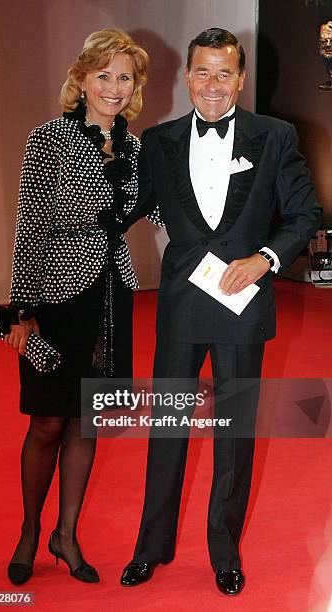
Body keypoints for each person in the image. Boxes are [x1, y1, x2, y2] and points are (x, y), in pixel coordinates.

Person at [116, 27, 321, 595]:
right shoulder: (157, 141)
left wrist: (266, 258)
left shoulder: (274, 136)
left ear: (241, 77)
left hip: (242, 301)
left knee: (233, 431)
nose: (212, 84)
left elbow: (306, 213)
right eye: (202, 71)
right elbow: (129, 208)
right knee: (169, 428)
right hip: (182, 305)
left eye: (224, 72)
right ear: (186, 75)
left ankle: (224, 550)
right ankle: (150, 547)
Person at [4, 28, 148, 586]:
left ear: (135, 87)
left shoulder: (136, 148)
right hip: (57, 294)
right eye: (104, 74)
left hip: (113, 295)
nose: (114, 87)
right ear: (82, 78)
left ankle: (67, 533)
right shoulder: (48, 139)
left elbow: (156, 212)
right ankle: (29, 531)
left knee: (89, 419)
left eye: (125, 77)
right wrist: (22, 308)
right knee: (46, 420)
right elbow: (30, 228)